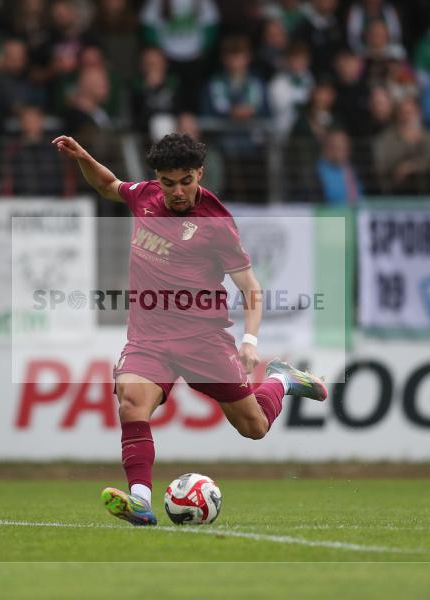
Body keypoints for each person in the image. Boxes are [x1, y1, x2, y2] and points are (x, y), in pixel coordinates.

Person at [51, 132, 328, 525]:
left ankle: (281, 379)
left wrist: (250, 341)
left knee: (254, 428)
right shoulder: (144, 196)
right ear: (157, 179)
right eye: (168, 182)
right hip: (149, 338)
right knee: (131, 402)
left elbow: (250, 288)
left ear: (200, 173)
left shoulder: (217, 223)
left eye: (186, 181)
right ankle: (141, 501)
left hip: (203, 339)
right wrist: (83, 156)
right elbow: (108, 185)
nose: (177, 191)